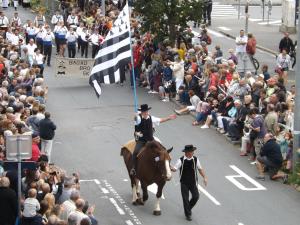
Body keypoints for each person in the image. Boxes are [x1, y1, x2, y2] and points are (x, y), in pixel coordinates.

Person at [130, 104, 176, 175]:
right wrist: (135, 117)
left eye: (146, 111)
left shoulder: (152, 118)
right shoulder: (138, 118)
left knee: (163, 150)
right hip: (142, 140)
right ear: (141, 112)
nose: (145, 113)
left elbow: (160, 120)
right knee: (135, 152)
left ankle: (168, 165)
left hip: (150, 140)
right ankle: (133, 168)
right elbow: (136, 124)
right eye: (144, 111)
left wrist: (169, 118)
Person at [171, 145, 207, 221]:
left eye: (193, 151)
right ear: (186, 152)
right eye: (191, 151)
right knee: (185, 199)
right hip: (184, 183)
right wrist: (169, 166)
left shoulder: (196, 159)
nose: (192, 153)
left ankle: (188, 208)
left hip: (193, 182)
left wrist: (205, 177)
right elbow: (174, 169)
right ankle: (188, 214)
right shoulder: (181, 160)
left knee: (196, 196)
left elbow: (200, 169)